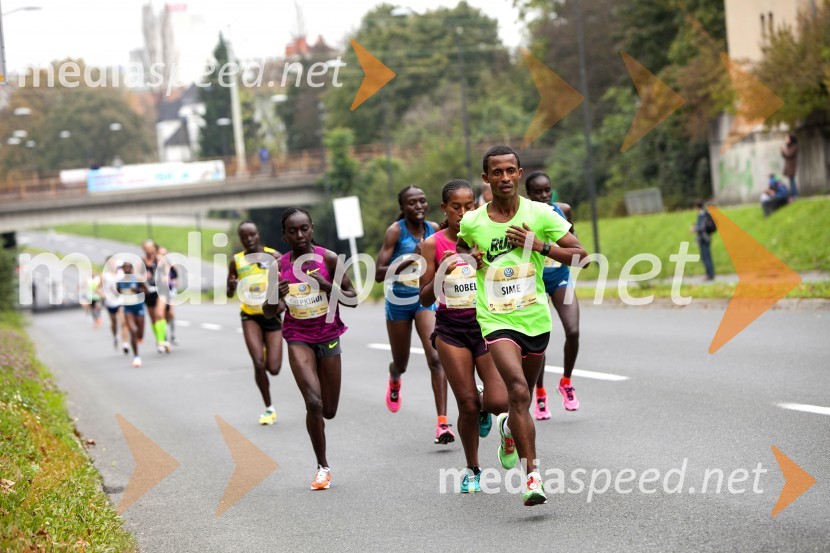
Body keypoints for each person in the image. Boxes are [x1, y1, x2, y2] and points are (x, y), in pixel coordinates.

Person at [457, 145, 588, 506]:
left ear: (519, 173)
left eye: (510, 171)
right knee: (516, 391)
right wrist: (468, 257)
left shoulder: (541, 214)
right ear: (486, 178)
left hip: (534, 318)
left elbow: (582, 257)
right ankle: (533, 477)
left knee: (522, 399)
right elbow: (461, 247)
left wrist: (540, 246)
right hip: (495, 318)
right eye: (496, 172)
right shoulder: (473, 221)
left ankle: (509, 429)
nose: (504, 178)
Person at [420, 179, 509, 493]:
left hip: (486, 325)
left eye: (468, 206)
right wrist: (441, 272)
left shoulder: (486, 235)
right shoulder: (432, 244)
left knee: (498, 402)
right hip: (451, 331)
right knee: (468, 405)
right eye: (455, 207)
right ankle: (472, 469)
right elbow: (424, 298)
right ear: (444, 208)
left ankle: (493, 415)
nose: (462, 213)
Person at [263, 208, 356, 490]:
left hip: (328, 335)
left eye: (304, 228)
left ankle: (322, 459)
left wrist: (328, 286)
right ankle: (322, 467)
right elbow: (268, 312)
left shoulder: (329, 259)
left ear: (312, 228)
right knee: (313, 402)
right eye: (292, 231)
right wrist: (274, 297)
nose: (299, 235)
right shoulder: (278, 266)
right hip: (298, 336)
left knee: (329, 410)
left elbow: (352, 298)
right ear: (284, 235)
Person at [375, 185, 453, 445]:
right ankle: (395, 377)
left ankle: (442, 423)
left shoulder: (434, 228)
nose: (418, 206)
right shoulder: (395, 231)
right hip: (398, 302)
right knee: (401, 362)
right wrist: (413, 257)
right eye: (412, 202)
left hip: (423, 300)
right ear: (403, 207)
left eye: (422, 201)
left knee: (436, 357)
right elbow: (378, 273)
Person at [524, 172, 581, 418]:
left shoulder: (563, 210)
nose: (544, 195)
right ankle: (540, 392)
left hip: (559, 278)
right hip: (533, 281)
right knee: (539, 340)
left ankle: (566, 382)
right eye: (538, 192)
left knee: (573, 331)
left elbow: (575, 244)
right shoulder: (524, 216)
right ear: (529, 194)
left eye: (547, 190)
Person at [226, 221, 283, 425]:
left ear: (258, 234)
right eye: (244, 236)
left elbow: (288, 283)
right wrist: (231, 286)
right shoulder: (236, 261)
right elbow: (229, 293)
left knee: (273, 368)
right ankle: (269, 408)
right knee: (258, 363)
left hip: (272, 316)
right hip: (250, 316)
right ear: (240, 239)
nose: (249, 239)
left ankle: (267, 352)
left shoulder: (274, 256)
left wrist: (283, 303)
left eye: (252, 235)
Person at [141, 240, 171, 353]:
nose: (149, 250)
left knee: (160, 314)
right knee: (153, 319)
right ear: (143, 249)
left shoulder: (159, 260)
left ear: (154, 248)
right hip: (148, 292)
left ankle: (161, 341)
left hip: (161, 290)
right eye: (146, 247)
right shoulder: (142, 262)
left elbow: (167, 272)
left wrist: (164, 277)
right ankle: (161, 338)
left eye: (151, 247)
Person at [116, 261, 148, 368]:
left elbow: (146, 291)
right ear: (122, 269)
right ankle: (136, 357)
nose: (126, 269)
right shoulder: (120, 281)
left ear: (131, 268)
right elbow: (117, 293)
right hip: (128, 309)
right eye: (124, 267)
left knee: (140, 334)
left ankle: (139, 338)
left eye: (128, 267)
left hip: (139, 308)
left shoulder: (137, 279)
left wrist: (137, 290)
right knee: (133, 331)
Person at [101, 257, 131, 354]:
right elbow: (98, 288)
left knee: (123, 322)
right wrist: (103, 294)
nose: (113, 264)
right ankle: (115, 336)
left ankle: (125, 343)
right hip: (110, 302)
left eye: (114, 262)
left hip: (120, 300)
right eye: (110, 263)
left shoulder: (121, 274)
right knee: (114, 322)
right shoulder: (105, 276)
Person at [157, 246, 179, 345]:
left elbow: (176, 278)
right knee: (161, 314)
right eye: (161, 254)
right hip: (160, 291)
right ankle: (164, 335)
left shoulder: (171, 265)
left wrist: (172, 283)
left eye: (165, 254)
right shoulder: (157, 265)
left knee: (171, 312)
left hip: (170, 290)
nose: (163, 256)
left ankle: (173, 335)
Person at [691, 200, 716, 280]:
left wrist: (695, 229)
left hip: (704, 238)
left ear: (697, 207)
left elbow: (702, 227)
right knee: (706, 256)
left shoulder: (701, 215)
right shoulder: (706, 214)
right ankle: (710, 274)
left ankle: (709, 274)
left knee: (705, 257)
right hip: (707, 237)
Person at [781, 133, 798, 199]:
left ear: (790, 139)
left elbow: (789, 155)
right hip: (788, 166)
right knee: (791, 180)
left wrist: (783, 151)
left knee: (792, 180)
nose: (786, 140)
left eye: (787, 138)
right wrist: (782, 152)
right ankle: (793, 195)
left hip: (792, 165)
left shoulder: (794, 146)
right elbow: (785, 156)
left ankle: (795, 195)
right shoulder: (788, 147)